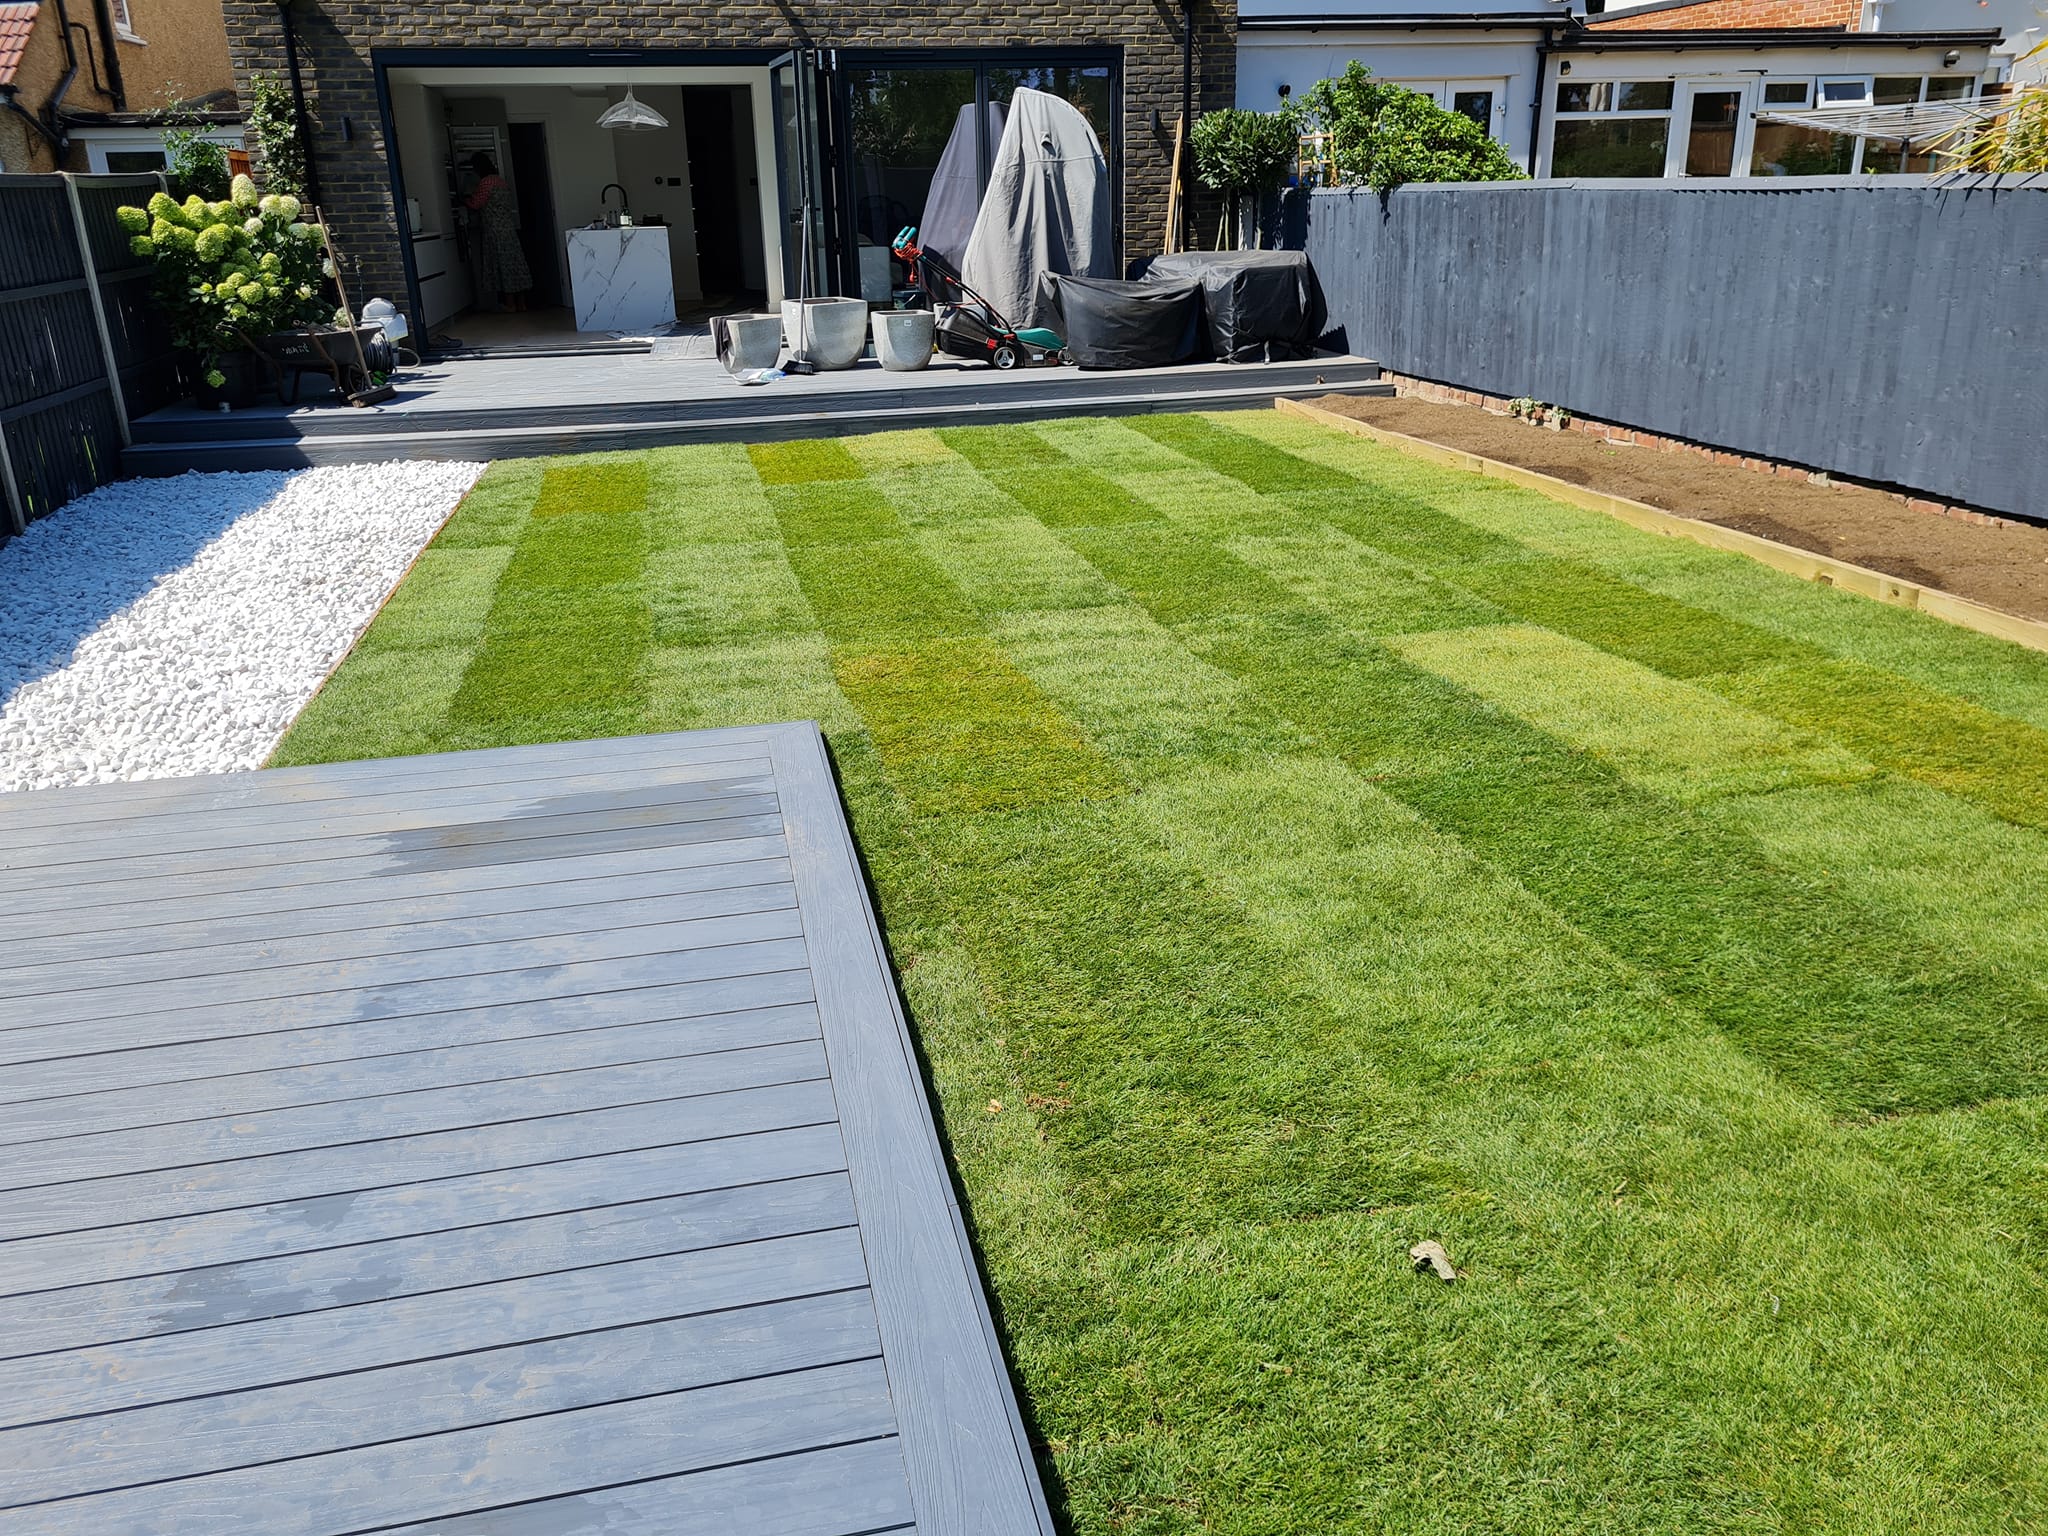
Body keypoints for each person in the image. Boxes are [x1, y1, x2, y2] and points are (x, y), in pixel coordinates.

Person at [464, 152, 533, 313]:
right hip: (508, 228)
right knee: (516, 265)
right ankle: (522, 303)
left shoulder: (486, 183)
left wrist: (465, 199)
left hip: (494, 230)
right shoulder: (501, 181)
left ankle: (510, 305)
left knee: (503, 267)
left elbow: (475, 204)